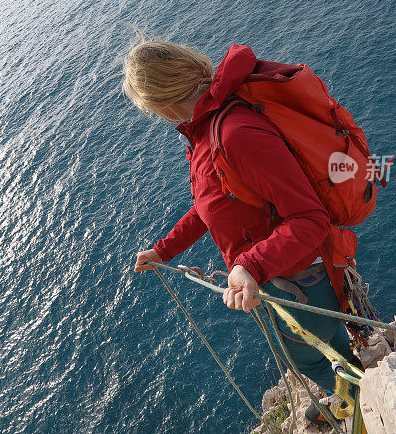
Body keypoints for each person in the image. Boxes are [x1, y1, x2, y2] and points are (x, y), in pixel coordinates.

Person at [122, 33, 357, 426]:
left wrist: (249, 265)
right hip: (300, 272)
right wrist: (164, 250)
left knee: (307, 356)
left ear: (162, 106)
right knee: (330, 339)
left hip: (294, 278)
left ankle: (356, 395)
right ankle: (354, 384)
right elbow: (212, 204)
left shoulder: (233, 134)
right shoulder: (207, 130)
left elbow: (309, 217)